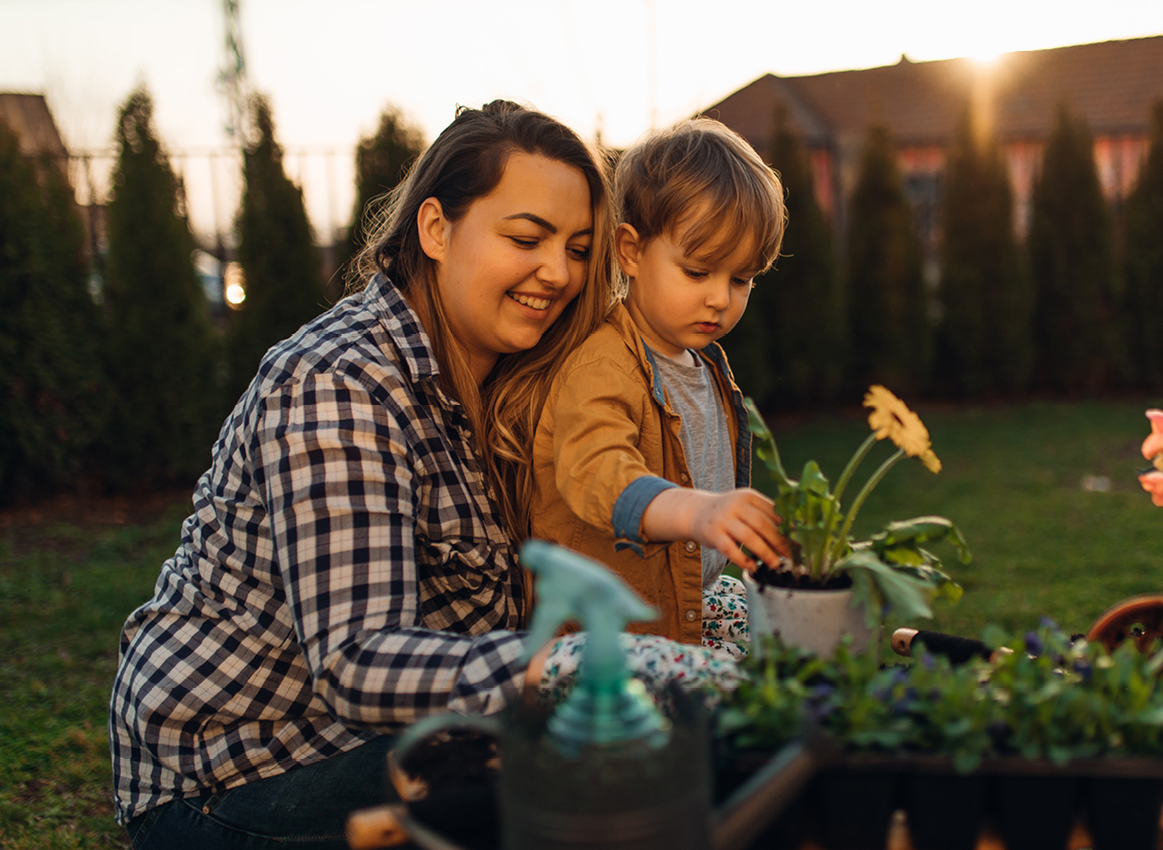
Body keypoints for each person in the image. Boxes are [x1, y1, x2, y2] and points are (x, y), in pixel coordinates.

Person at [110, 102, 740, 850]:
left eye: (577, 248)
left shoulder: (512, 376)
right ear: (435, 229)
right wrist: (577, 662)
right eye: (526, 238)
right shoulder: (337, 384)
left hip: (387, 738)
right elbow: (358, 662)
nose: (560, 273)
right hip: (238, 776)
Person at [529, 117, 789, 649]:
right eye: (698, 272)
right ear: (631, 251)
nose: (720, 297)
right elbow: (596, 471)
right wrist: (699, 512)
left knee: (803, 632)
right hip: (611, 629)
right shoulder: (604, 364)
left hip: (687, 599)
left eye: (741, 279)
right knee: (745, 706)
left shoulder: (704, 364)